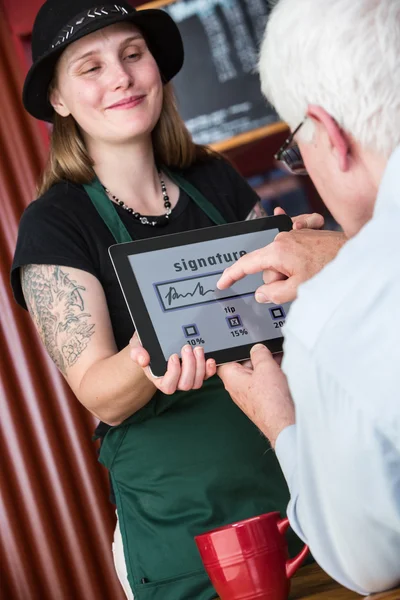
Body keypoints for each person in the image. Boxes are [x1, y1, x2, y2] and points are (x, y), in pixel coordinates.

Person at [10, 1, 341, 598]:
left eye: (133, 55)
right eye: (90, 67)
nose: (121, 76)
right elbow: (100, 395)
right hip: (193, 534)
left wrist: (304, 263)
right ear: (58, 100)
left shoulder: (213, 177)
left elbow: (279, 315)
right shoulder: (55, 223)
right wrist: (157, 348)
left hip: (304, 488)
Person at [217, 0, 400, 595]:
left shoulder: (333, 318)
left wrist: (282, 424)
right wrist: (350, 248)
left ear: (333, 136)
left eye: (298, 146)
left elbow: (366, 561)